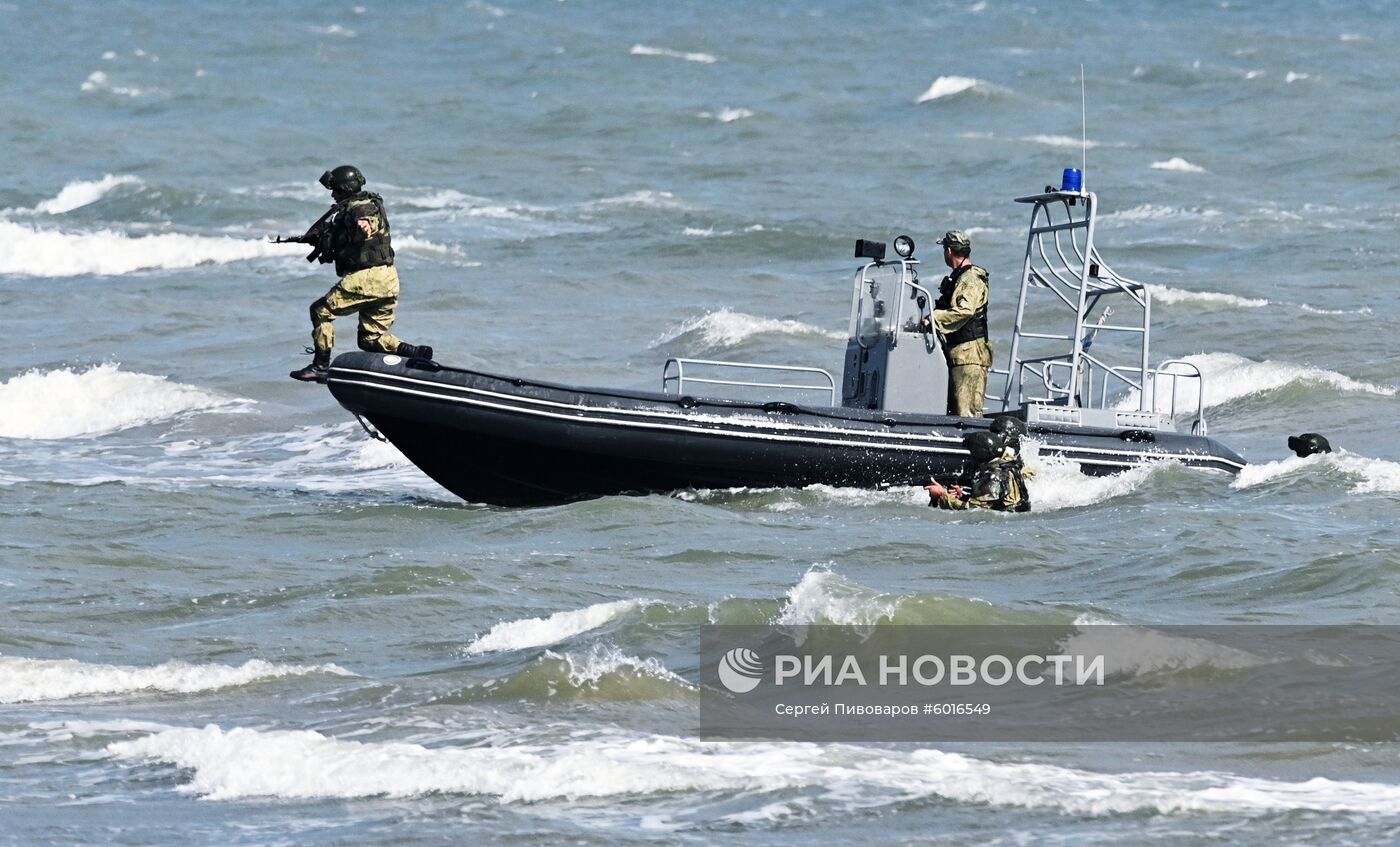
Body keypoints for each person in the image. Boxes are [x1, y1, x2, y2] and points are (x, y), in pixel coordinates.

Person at [289, 165, 433, 382]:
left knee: (320, 311)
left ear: (346, 189)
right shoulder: (352, 208)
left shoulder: (362, 206)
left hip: (367, 279)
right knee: (369, 340)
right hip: (388, 280)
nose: (332, 194)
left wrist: (364, 224)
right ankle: (415, 354)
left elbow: (365, 218)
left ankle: (320, 366)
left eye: (336, 190)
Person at [919, 230, 992, 417]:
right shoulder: (960, 277)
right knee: (956, 411)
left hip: (969, 355)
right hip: (961, 353)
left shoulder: (971, 278)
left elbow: (965, 311)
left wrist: (934, 319)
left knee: (966, 414)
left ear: (949, 251)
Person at [925, 430, 1031, 512]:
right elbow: (993, 502)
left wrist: (942, 495)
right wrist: (963, 496)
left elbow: (973, 510)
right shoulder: (1006, 467)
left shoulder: (994, 475)